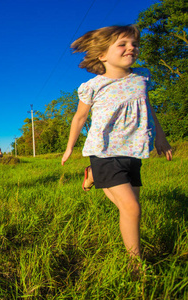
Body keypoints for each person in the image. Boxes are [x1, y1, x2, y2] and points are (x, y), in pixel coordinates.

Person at [61, 25, 172, 261]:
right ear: (102, 55)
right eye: (122, 44)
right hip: (104, 152)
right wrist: (70, 147)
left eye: (134, 44)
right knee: (131, 209)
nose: (131, 48)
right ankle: (135, 266)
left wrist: (161, 137)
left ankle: (92, 176)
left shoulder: (142, 77)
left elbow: (149, 109)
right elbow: (80, 117)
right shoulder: (93, 86)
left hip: (134, 150)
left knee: (130, 207)